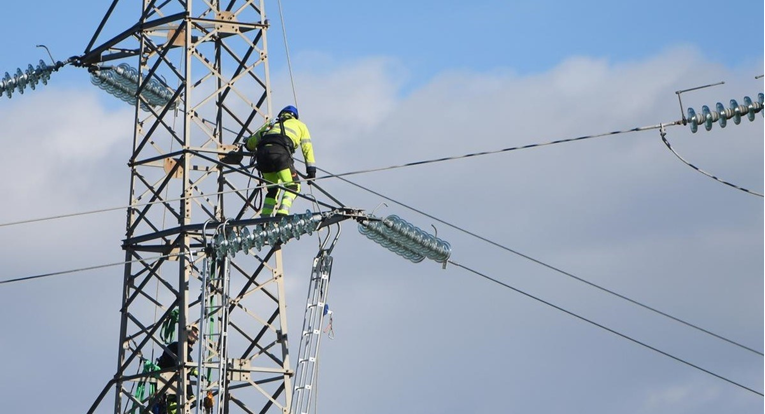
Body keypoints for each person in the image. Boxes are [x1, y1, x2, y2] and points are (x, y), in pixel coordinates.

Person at [244, 105, 317, 217]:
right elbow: (307, 147)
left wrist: (248, 143)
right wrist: (311, 169)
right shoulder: (300, 125)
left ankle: (265, 218)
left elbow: (251, 143)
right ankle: (282, 212)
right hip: (279, 154)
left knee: (273, 190)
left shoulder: (272, 124)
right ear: (295, 117)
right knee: (293, 186)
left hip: (262, 156)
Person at [155, 324, 199, 414]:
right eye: (192, 331)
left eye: (196, 332)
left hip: (175, 391)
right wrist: (190, 394)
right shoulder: (176, 347)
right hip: (168, 387)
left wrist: (196, 373)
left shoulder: (187, 356)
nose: (194, 334)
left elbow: (187, 369)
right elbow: (182, 370)